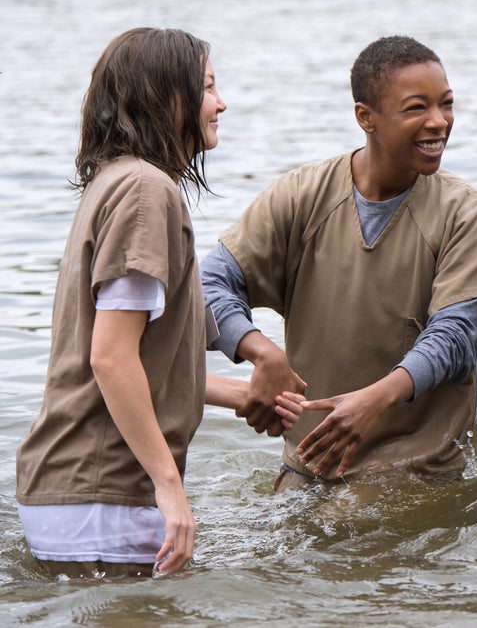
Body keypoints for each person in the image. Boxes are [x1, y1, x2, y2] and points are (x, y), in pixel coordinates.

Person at [15, 28, 297, 578]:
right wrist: (170, 488)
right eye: (208, 87)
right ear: (166, 97)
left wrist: (238, 395)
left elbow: (136, 358)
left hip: (71, 496)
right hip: (103, 499)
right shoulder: (147, 191)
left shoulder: (113, 182)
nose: (221, 103)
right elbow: (111, 359)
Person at [202, 35, 477, 490]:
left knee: (346, 535)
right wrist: (260, 350)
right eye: (416, 108)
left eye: (446, 104)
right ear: (365, 118)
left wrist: (375, 400)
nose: (439, 122)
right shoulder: (300, 195)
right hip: (310, 462)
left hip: (418, 467)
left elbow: (456, 339)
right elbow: (211, 282)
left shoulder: (467, 214)